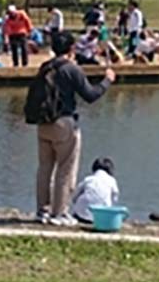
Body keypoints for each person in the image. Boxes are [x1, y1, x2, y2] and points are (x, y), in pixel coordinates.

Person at [32, 32, 116, 226]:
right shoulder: (72, 69)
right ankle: (60, 213)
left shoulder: (45, 67)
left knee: (44, 168)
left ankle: (41, 210)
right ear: (71, 49)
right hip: (64, 123)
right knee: (65, 169)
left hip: (43, 123)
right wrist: (107, 80)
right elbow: (90, 95)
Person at [71, 157, 119, 224]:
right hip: (102, 217)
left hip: (81, 215)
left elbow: (74, 197)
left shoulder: (88, 179)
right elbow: (114, 199)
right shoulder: (112, 181)